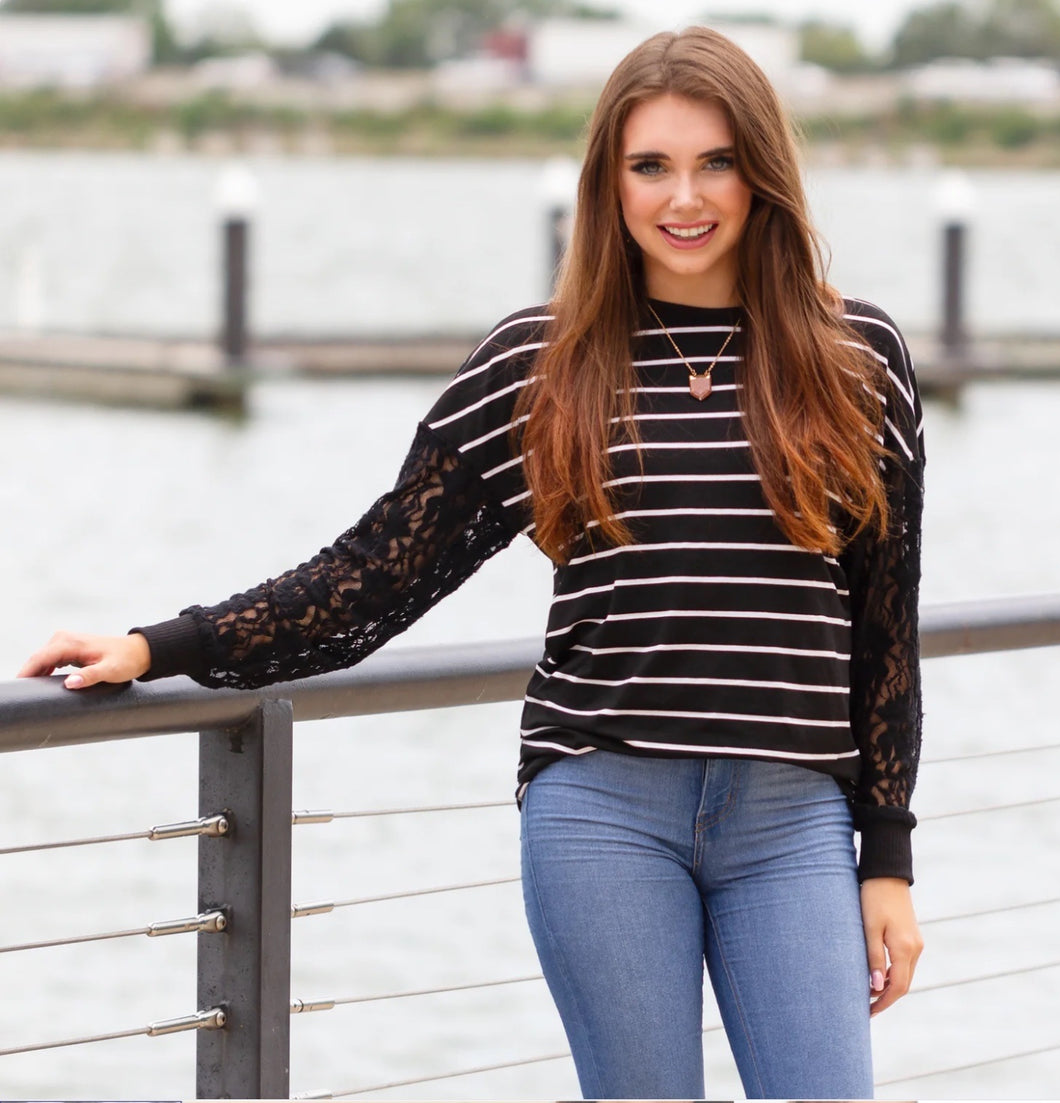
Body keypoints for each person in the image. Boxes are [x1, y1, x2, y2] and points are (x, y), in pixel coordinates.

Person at [20, 25, 924, 1101]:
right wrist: (159, 643)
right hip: (603, 813)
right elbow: (369, 575)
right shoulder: (538, 365)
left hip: (792, 823)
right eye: (650, 165)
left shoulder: (854, 359)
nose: (684, 197)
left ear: (761, 171)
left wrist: (887, 856)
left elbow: (883, 633)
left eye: (714, 161)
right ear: (607, 182)